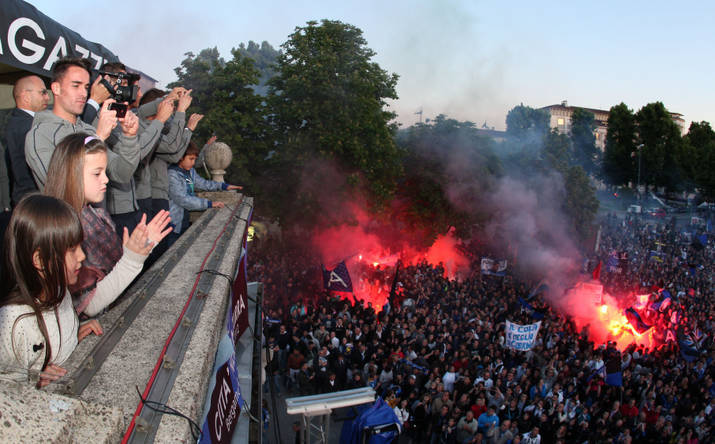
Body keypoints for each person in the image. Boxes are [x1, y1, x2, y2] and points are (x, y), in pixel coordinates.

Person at [44, 133, 171, 316]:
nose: (106, 179)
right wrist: (131, 258)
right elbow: (88, 304)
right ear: (72, 174)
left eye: (104, 172)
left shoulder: (93, 214)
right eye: (97, 173)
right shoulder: (64, 226)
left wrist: (136, 249)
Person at [0, 195, 102, 386]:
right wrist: (33, 380)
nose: (82, 255)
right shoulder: (13, 322)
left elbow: (55, 344)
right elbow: (6, 389)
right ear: (40, 261)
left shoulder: (59, 291)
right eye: (72, 249)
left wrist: (72, 341)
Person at [24, 57, 139, 192]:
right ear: (56, 88)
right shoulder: (40, 135)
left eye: (86, 87)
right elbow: (58, 184)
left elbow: (121, 174)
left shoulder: (88, 130)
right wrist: (99, 138)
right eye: (76, 85)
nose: (84, 93)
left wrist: (129, 137)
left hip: (95, 213)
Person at [167, 142, 241, 240]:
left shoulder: (190, 172)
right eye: (191, 159)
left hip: (184, 219)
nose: (193, 163)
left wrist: (223, 186)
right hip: (172, 223)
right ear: (180, 157)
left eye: (194, 159)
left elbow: (203, 183)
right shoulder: (172, 174)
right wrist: (209, 204)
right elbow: (182, 199)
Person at [5, 75, 50, 204]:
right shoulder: (28, 126)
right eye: (43, 93)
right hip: (34, 201)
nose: (47, 97)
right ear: (26, 96)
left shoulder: (16, 122)